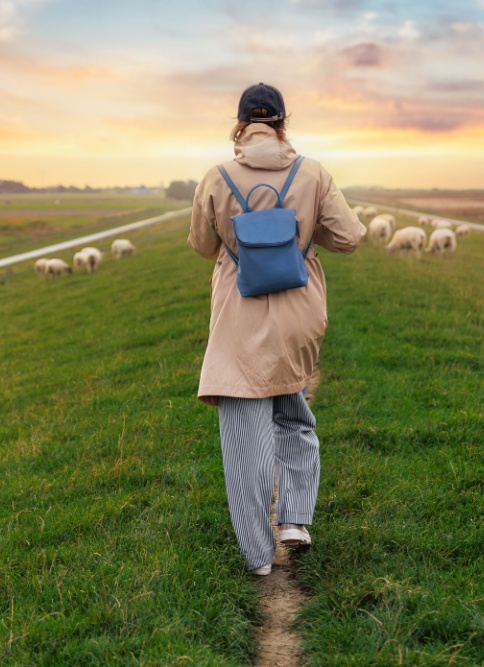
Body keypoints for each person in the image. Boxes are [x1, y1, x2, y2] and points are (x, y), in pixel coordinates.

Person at [188, 83, 367, 575]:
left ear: (240, 125)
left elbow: (204, 245)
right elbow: (349, 238)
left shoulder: (216, 176)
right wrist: (305, 233)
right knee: (293, 410)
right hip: (298, 313)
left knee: (244, 435)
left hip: (240, 314)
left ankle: (258, 557)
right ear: (283, 124)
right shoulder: (313, 173)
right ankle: (294, 520)